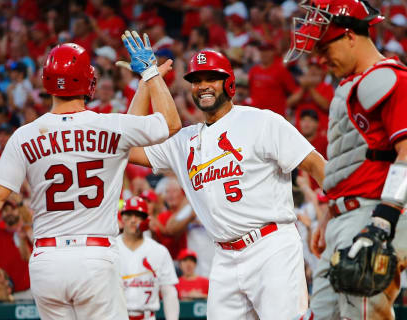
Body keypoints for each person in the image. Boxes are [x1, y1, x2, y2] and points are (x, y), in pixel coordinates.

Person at [0, 31, 181, 320]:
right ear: (88, 81)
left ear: (46, 82)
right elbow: (170, 123)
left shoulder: (23, 135)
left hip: (47, 261)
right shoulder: (111, 125)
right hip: (95, 256)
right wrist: (150, 73)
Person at [126, 48, 326, 319]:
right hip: (223, 256)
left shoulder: (261, 120)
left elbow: (315, 164)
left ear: (229, 83)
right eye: (197, 80)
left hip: (271, 246)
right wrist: (147, 81)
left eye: (211, 78)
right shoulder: (184, 141)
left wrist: (335, 215)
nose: (203, 86)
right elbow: (129, 145)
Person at [285, 0, 407, 319]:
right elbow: (347, 164)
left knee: (362, 313)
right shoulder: (348, 85)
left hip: (374, 214)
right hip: (345, 216)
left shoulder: (391, 79)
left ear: (351, 35)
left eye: (325, 48)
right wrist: (329, 216)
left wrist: (384, 219)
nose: (320, 59)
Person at [118, 196, 179, 320]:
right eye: (128, 215)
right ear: (122, 217)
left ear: (147, 219)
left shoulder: (159, 251)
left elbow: (169, 292)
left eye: (138, 215)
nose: (133, 220)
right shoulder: (111, 249)